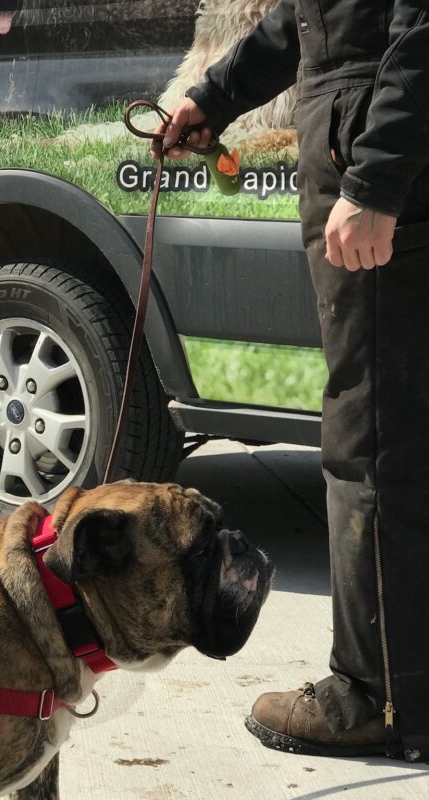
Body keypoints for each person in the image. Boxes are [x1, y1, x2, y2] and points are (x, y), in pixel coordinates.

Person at [153, 0, 429, 762]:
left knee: (373, 433)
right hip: (377, 143)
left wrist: (376, 180)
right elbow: (310, 19)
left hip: (382, 158)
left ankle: (378, 698)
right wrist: (215, 94)